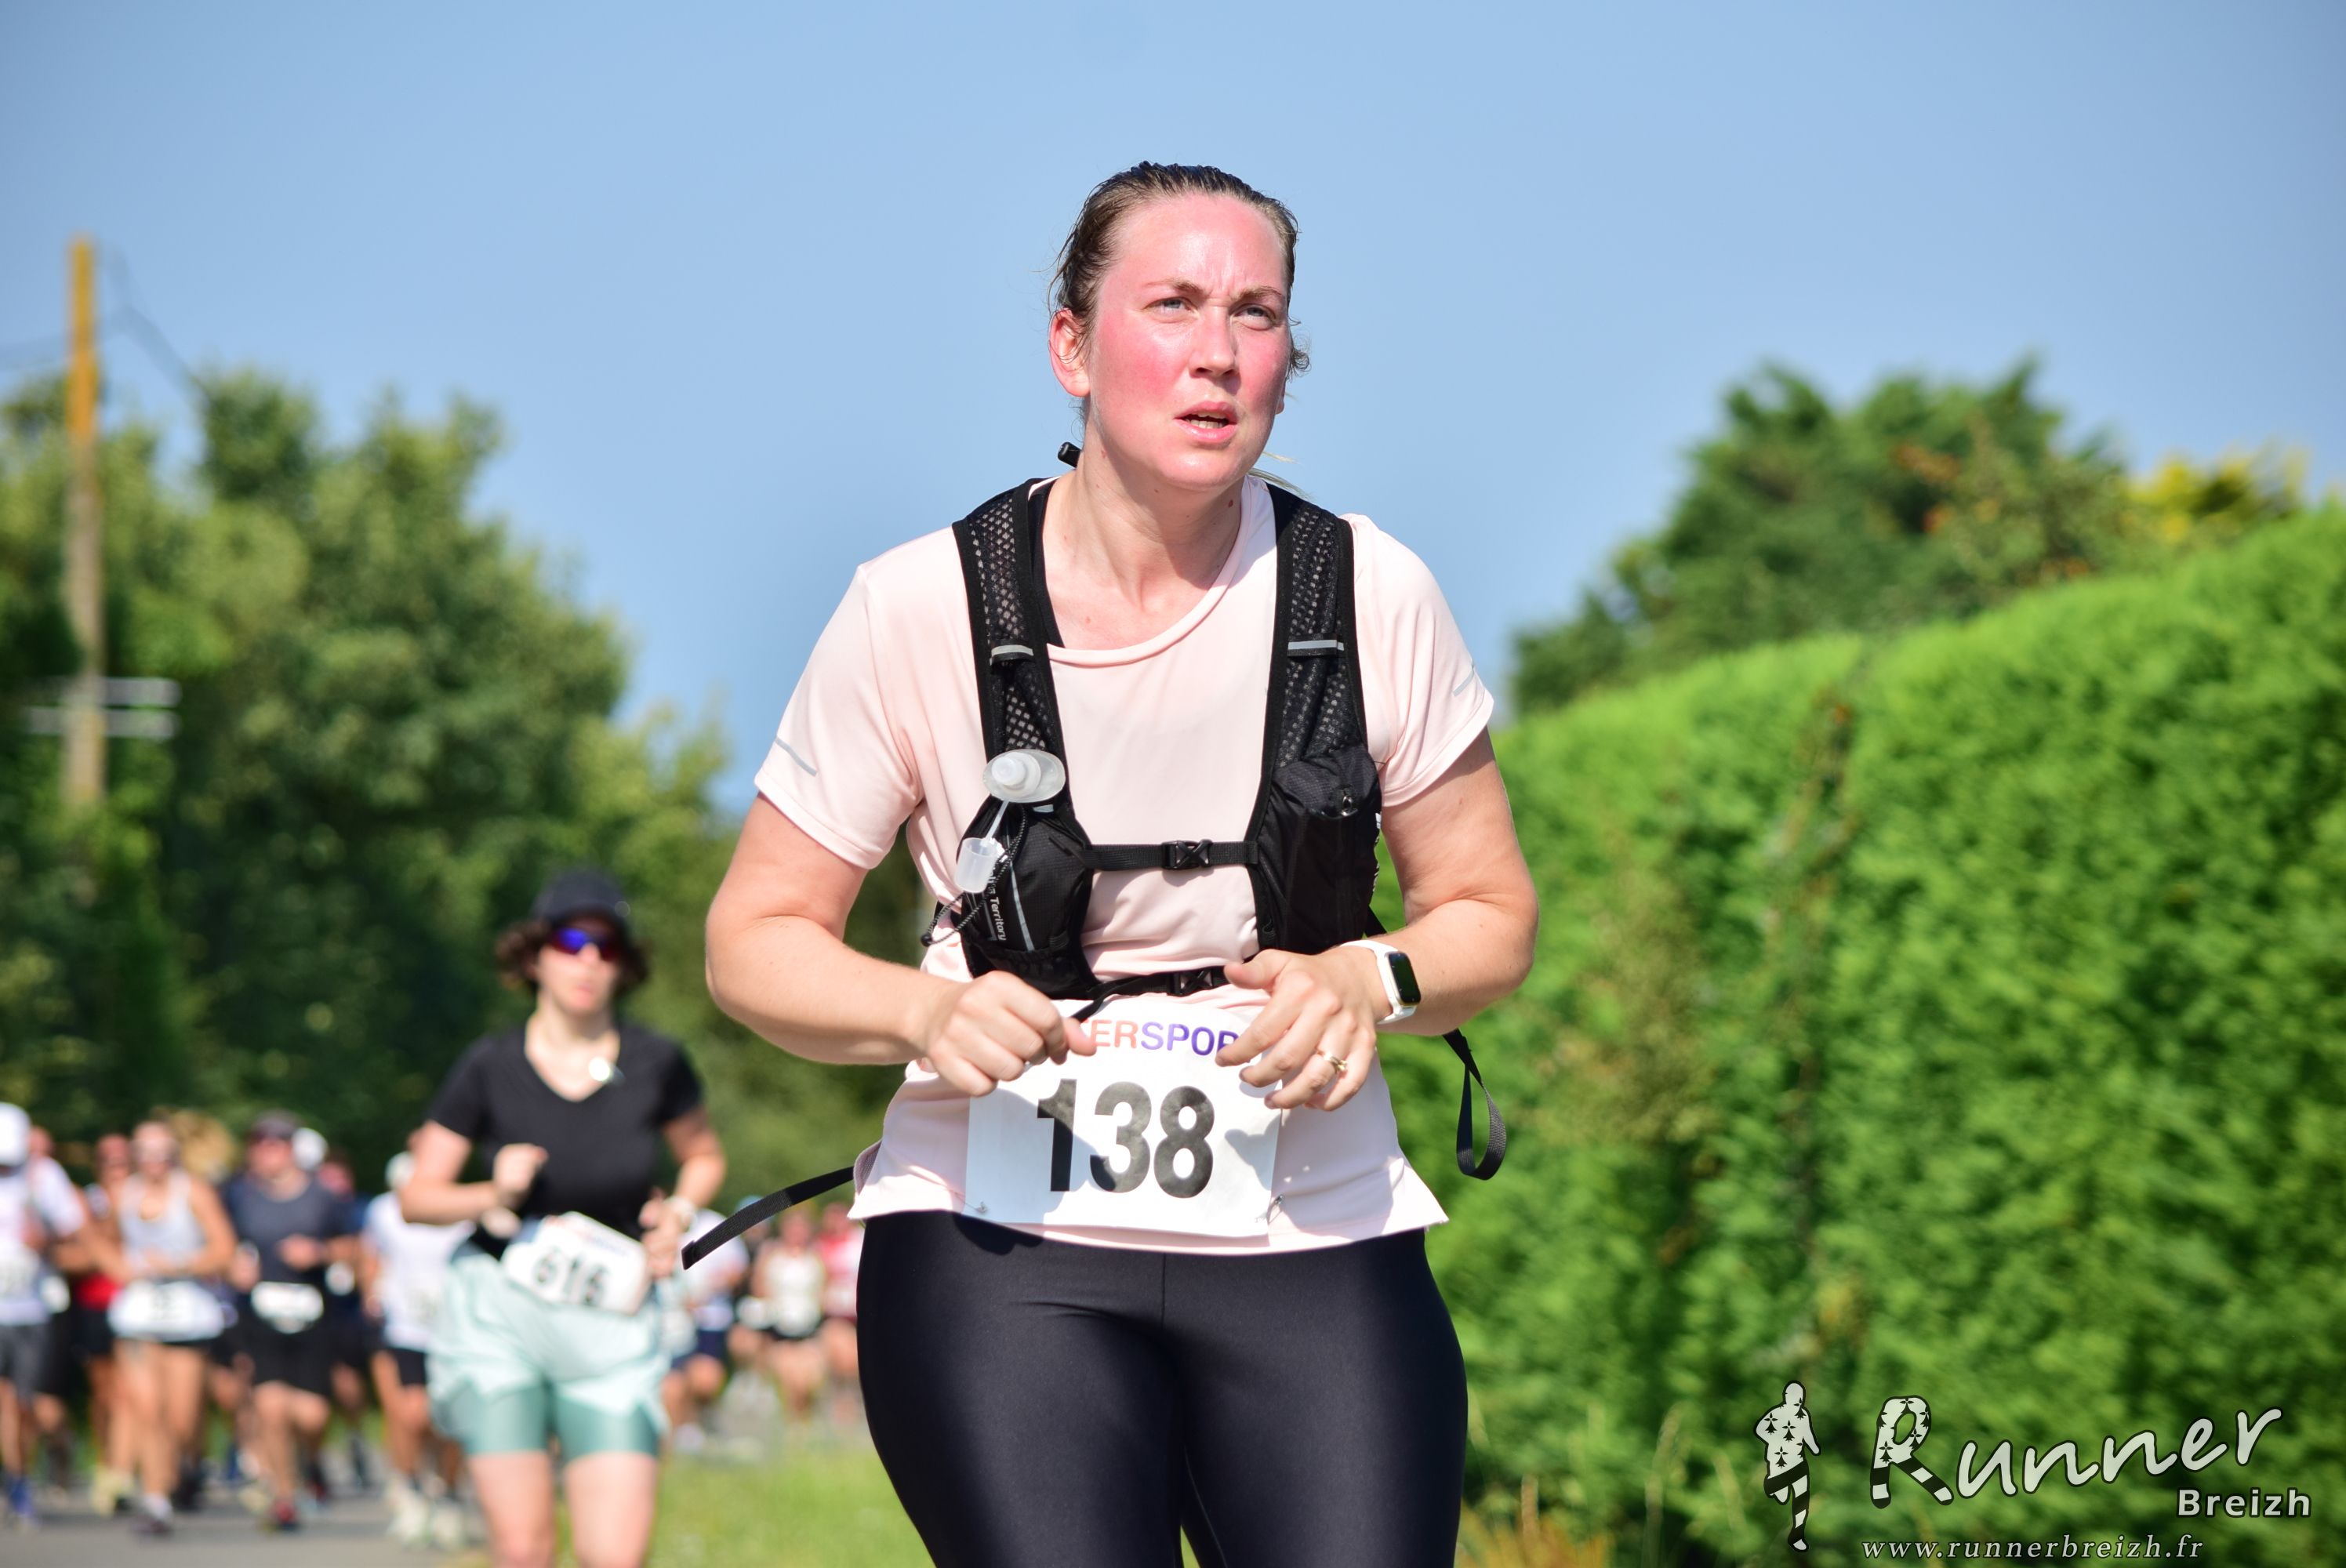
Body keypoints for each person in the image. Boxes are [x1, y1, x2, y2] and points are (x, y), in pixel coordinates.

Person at [703, 162, 1538, 1566]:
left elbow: (1490, 914)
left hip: (1313, 1236)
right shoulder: (914, 605)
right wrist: (925, 1013)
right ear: (1072, 346)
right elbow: (755, 941)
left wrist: (1371, 979)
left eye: (1256, 313)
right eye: (1173, 305)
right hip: (994, 1238)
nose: (1218, 351)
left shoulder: (1371, 589)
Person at [401, 867, 725, 1568]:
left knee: (614, 1556)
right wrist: (491, 1192)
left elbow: (703, 1156)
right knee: (524, 1551)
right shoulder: (488, 1066)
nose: (589, 961)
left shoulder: (657, 1062)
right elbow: (417, 1198)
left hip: (612, 1320)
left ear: (625, 965)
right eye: (572, 942)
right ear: (533, 955)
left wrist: (677, 1212)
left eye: (608, 947)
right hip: (500, 1316)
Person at [220, 1110, 360, 1530]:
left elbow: (355, 1247)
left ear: (291, 1148)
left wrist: (319, 1253)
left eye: (275, 1144)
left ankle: (311, 1461)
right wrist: (232, 1267)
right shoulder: (240, 1196)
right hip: (260, 1314)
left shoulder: (323, 1196)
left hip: (312, 1315)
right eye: (259, 1144)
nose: (267, 1152)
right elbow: (223, 1245)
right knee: (270, 1406)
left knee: (312, 1415)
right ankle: (284, 1496)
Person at [107, 1118, 238, 1537]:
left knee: (181, 1419)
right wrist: (118, 1267)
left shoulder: (193, 1192)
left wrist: (179, 1265)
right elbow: (98, 1237)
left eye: (163, 1154)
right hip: (139, 1315)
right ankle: (156, 1502)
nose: (155, 1162)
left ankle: (183, 1468)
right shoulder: (122, 1193)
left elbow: (224, 1249)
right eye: (146, 1153)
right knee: (148, 1410)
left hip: (187, 1313)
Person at [361, 1144, 469, 1550]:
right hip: (405, 1327)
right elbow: (372, 1254)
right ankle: (412, 1487)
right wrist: (371, 1290)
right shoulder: (383, 1212)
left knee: (448, 1419)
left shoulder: (458, 1214)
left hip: (451, 1329)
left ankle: (449, 1492)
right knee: (411, 1414)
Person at [1, 1105, 95, 1526]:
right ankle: (16, 1481)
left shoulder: (44, 1178)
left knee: (27, 1406)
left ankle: (28, 1471)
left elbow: (81, 1239)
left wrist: (47, 1241)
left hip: (32, 1311)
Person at [660, 1205, 745, 1455]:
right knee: (673, 1384)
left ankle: (698, 1424)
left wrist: (706, 1292)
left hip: (707, 1320)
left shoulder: (715, 1224)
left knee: (703, 1380)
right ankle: (677, 1436)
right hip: (670, 1323)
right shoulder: (661, 1223)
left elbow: (736, 1271)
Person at [746, 1210, 826, 1429]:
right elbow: (759, 1289)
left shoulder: (815, 1257)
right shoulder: (772, 1256)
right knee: (790, 1379)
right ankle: (793, 1428)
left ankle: (806, 1426)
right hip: (779, 1328)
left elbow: (823, 1290)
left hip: (808, 1327)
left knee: (809, 1381)